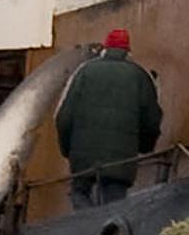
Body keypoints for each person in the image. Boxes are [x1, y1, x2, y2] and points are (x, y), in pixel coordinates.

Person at [56, 29, 163, 210]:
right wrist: (145, 147)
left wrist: (68, 150)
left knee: (79, 193)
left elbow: (64, 117)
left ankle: (88, 224)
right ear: (128, 51)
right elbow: (152, 120)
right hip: (120, 162)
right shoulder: (140, 76)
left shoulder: (84, 72)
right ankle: (105, 229)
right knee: (114, 206)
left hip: (83, 158)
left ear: (105, 48)